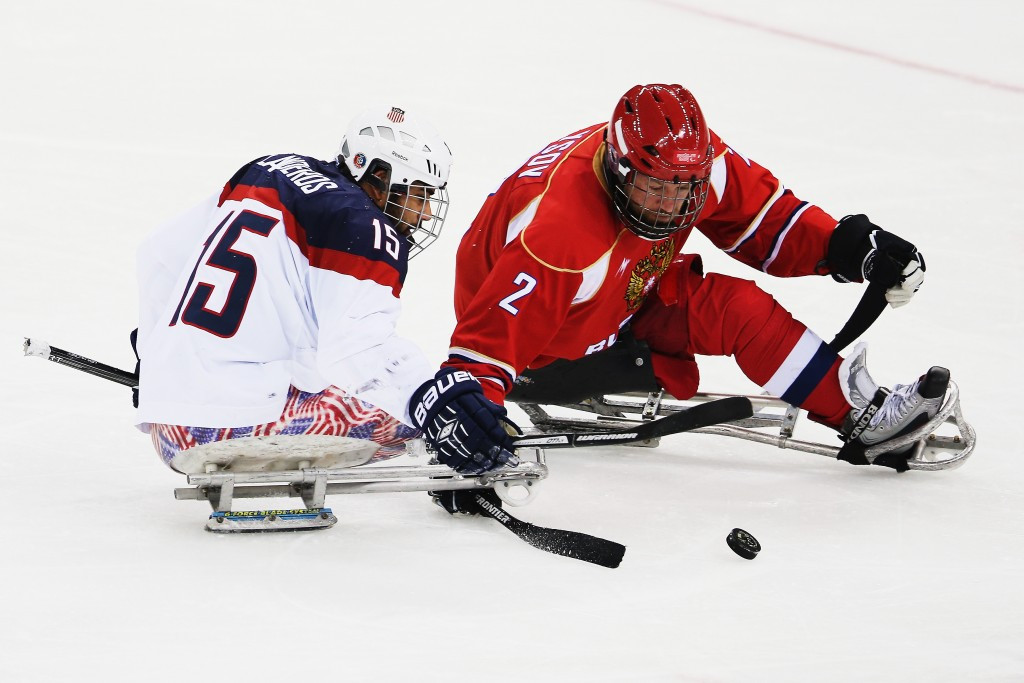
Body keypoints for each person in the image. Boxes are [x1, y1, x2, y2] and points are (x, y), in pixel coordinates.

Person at [436, 83, 948, 480]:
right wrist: (473, 420)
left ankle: (857, 411)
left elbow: (767, 221)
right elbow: (484, 347)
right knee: (710, 302)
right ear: (617, 165)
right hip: (544, 339)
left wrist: (854, 249)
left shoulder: (685, 162)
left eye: (683, 191)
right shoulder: (560, 236)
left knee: (738, 308)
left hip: (617, 291)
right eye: (654, 188)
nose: (669, 206)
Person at [135, 105, 517, 477]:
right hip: (235, 429)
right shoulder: (361, 226)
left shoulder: (268, 169)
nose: (426, 213)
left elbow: (160, 257)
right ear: (379, 176)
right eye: (420, 193)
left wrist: (155, 359)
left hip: (168, 429)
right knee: (423, 419)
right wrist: (435, 402)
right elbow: (355, 349)